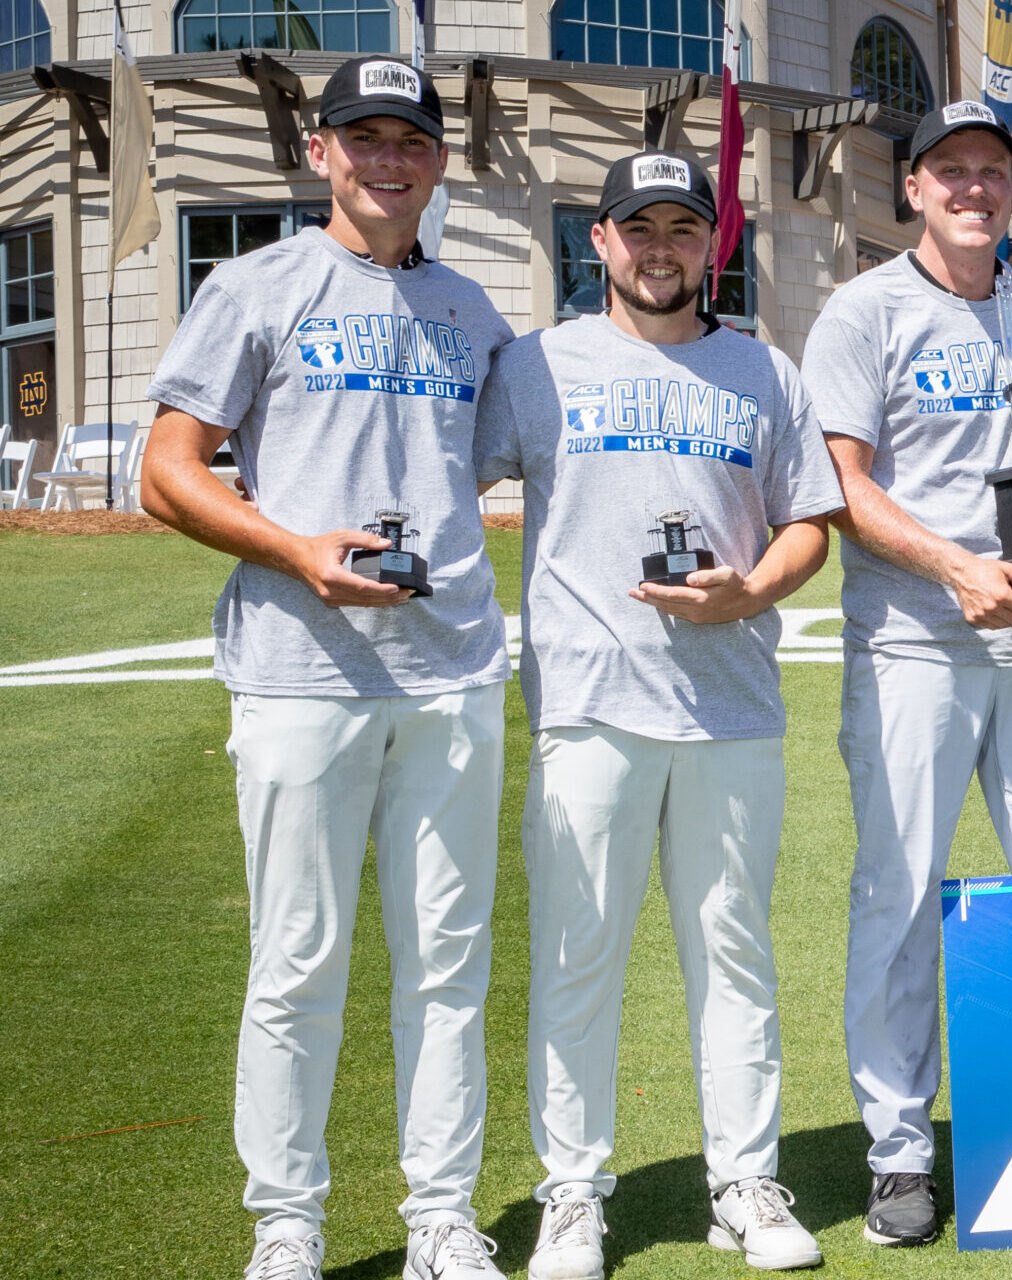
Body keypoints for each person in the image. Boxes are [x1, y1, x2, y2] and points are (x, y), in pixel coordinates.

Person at [137, 55, 517, 1280]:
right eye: (363, 138)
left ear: (438, 162)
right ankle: (287, 1219)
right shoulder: (255, 284)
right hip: (303, 672)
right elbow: (168, 469)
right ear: (320, 153)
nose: (387, 160)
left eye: (410, 140)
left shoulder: (475, 310)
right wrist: (297, 547)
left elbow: (520, 464)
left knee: (447, 961)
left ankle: (440, 1214)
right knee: (298, 958)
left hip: (450, 668)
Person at [475, 151, 840, 1276]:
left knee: (732, 954)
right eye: (639, 229)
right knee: (579, 956)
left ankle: (742, 1177)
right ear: (600, 243)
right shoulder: (538, 363)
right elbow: (447, 480)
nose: (660, 248)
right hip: (590, 703)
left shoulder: (765, 370)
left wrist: (754, 589)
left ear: (710, 243)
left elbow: (808, 523)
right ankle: (573, 1192)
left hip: (731, 703)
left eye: (683, 227)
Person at [800, 100, 1012, 1248]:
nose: (972, 187)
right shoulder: (863, 308)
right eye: (950, 171)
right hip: (914, 639)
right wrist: (953, 567)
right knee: (899, 892)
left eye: (993, 170)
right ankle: (898, 1147)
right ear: (914, 190)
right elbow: (842, 484)